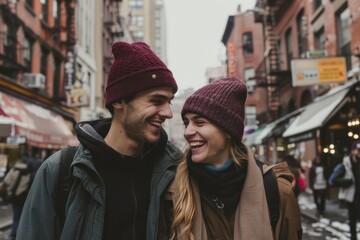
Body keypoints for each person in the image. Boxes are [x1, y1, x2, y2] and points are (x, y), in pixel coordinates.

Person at [17, 41, 182, 240]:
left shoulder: (173, 169)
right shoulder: (61, 170)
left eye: (169, 102)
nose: (168, 113)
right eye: (156, 101)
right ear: (119, 101)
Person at [158, 78, 302, 239]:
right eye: (187, 123)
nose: (188, 132)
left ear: (227, 131)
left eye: (199, 122)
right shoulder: (173, 191)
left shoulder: (276, 191)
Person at [333, 141, 360, 240]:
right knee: (353, 220)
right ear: (353, 151)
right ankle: (354, 237)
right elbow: (334, 180)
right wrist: (347, 182)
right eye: (358, 150)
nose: (359, 153)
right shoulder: (345, 164)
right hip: (352, 197)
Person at [2, 158, 31, 240]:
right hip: (23, 196)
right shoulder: (28, 173)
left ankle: (14, 233)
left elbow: (6, 182)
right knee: (22, 215)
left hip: (15, 196)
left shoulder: (13, 171)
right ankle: (20, 232)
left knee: (16, 215)